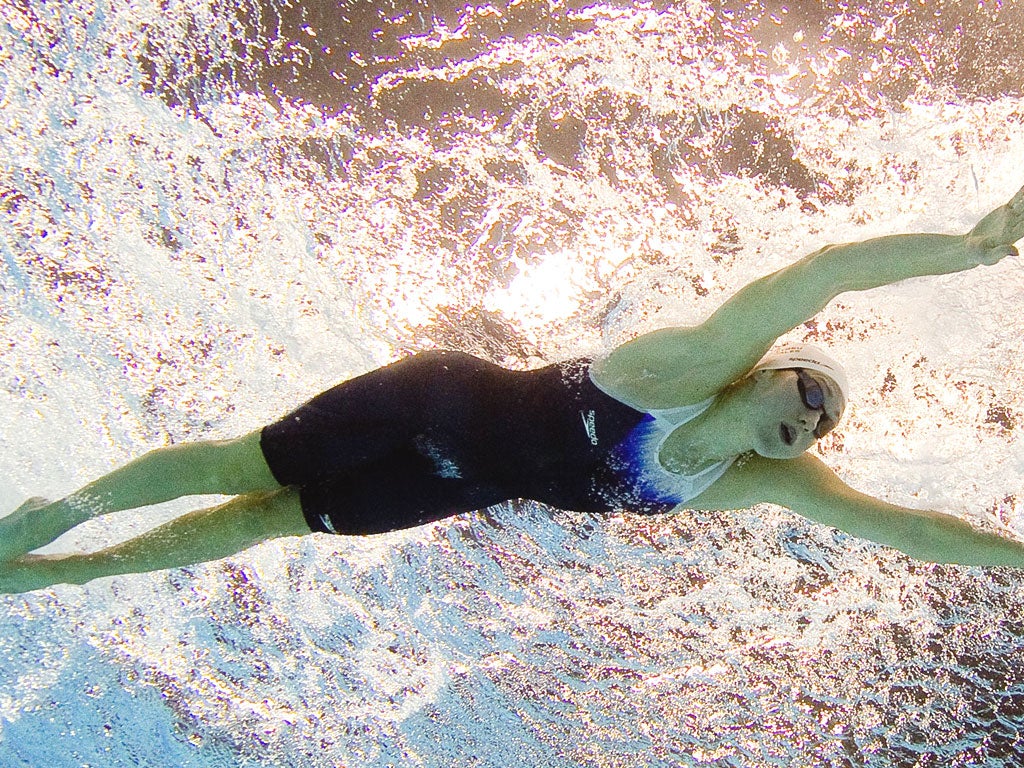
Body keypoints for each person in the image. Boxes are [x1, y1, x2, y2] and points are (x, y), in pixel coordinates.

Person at [3, 183, 1024, 593]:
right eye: (809, 395)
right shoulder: (687, 368)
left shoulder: (751, 483)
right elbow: (825, 270)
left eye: (821, 430)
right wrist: (974, 248)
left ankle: (64, 576)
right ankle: (65, 511)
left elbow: (911, 531)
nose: (811, 424)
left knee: (274, 521)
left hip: (454, 484)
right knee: (241, 465)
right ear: (768, 369)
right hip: (436, 399)